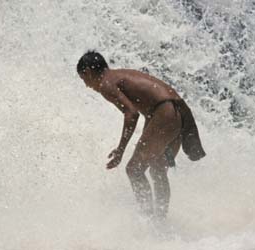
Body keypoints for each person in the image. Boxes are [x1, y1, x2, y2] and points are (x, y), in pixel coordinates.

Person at [77, 50, 206, 220]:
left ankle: (147, 220)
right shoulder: (118, 74)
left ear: (87, 72)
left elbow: (131, 114)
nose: (87, 85)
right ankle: (160, 222)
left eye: (84, 79)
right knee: (158, 170)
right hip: (178, 111)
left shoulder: (105, 83)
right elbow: (146, 105)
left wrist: (120, 151)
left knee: (134, 170)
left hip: (165, 112)